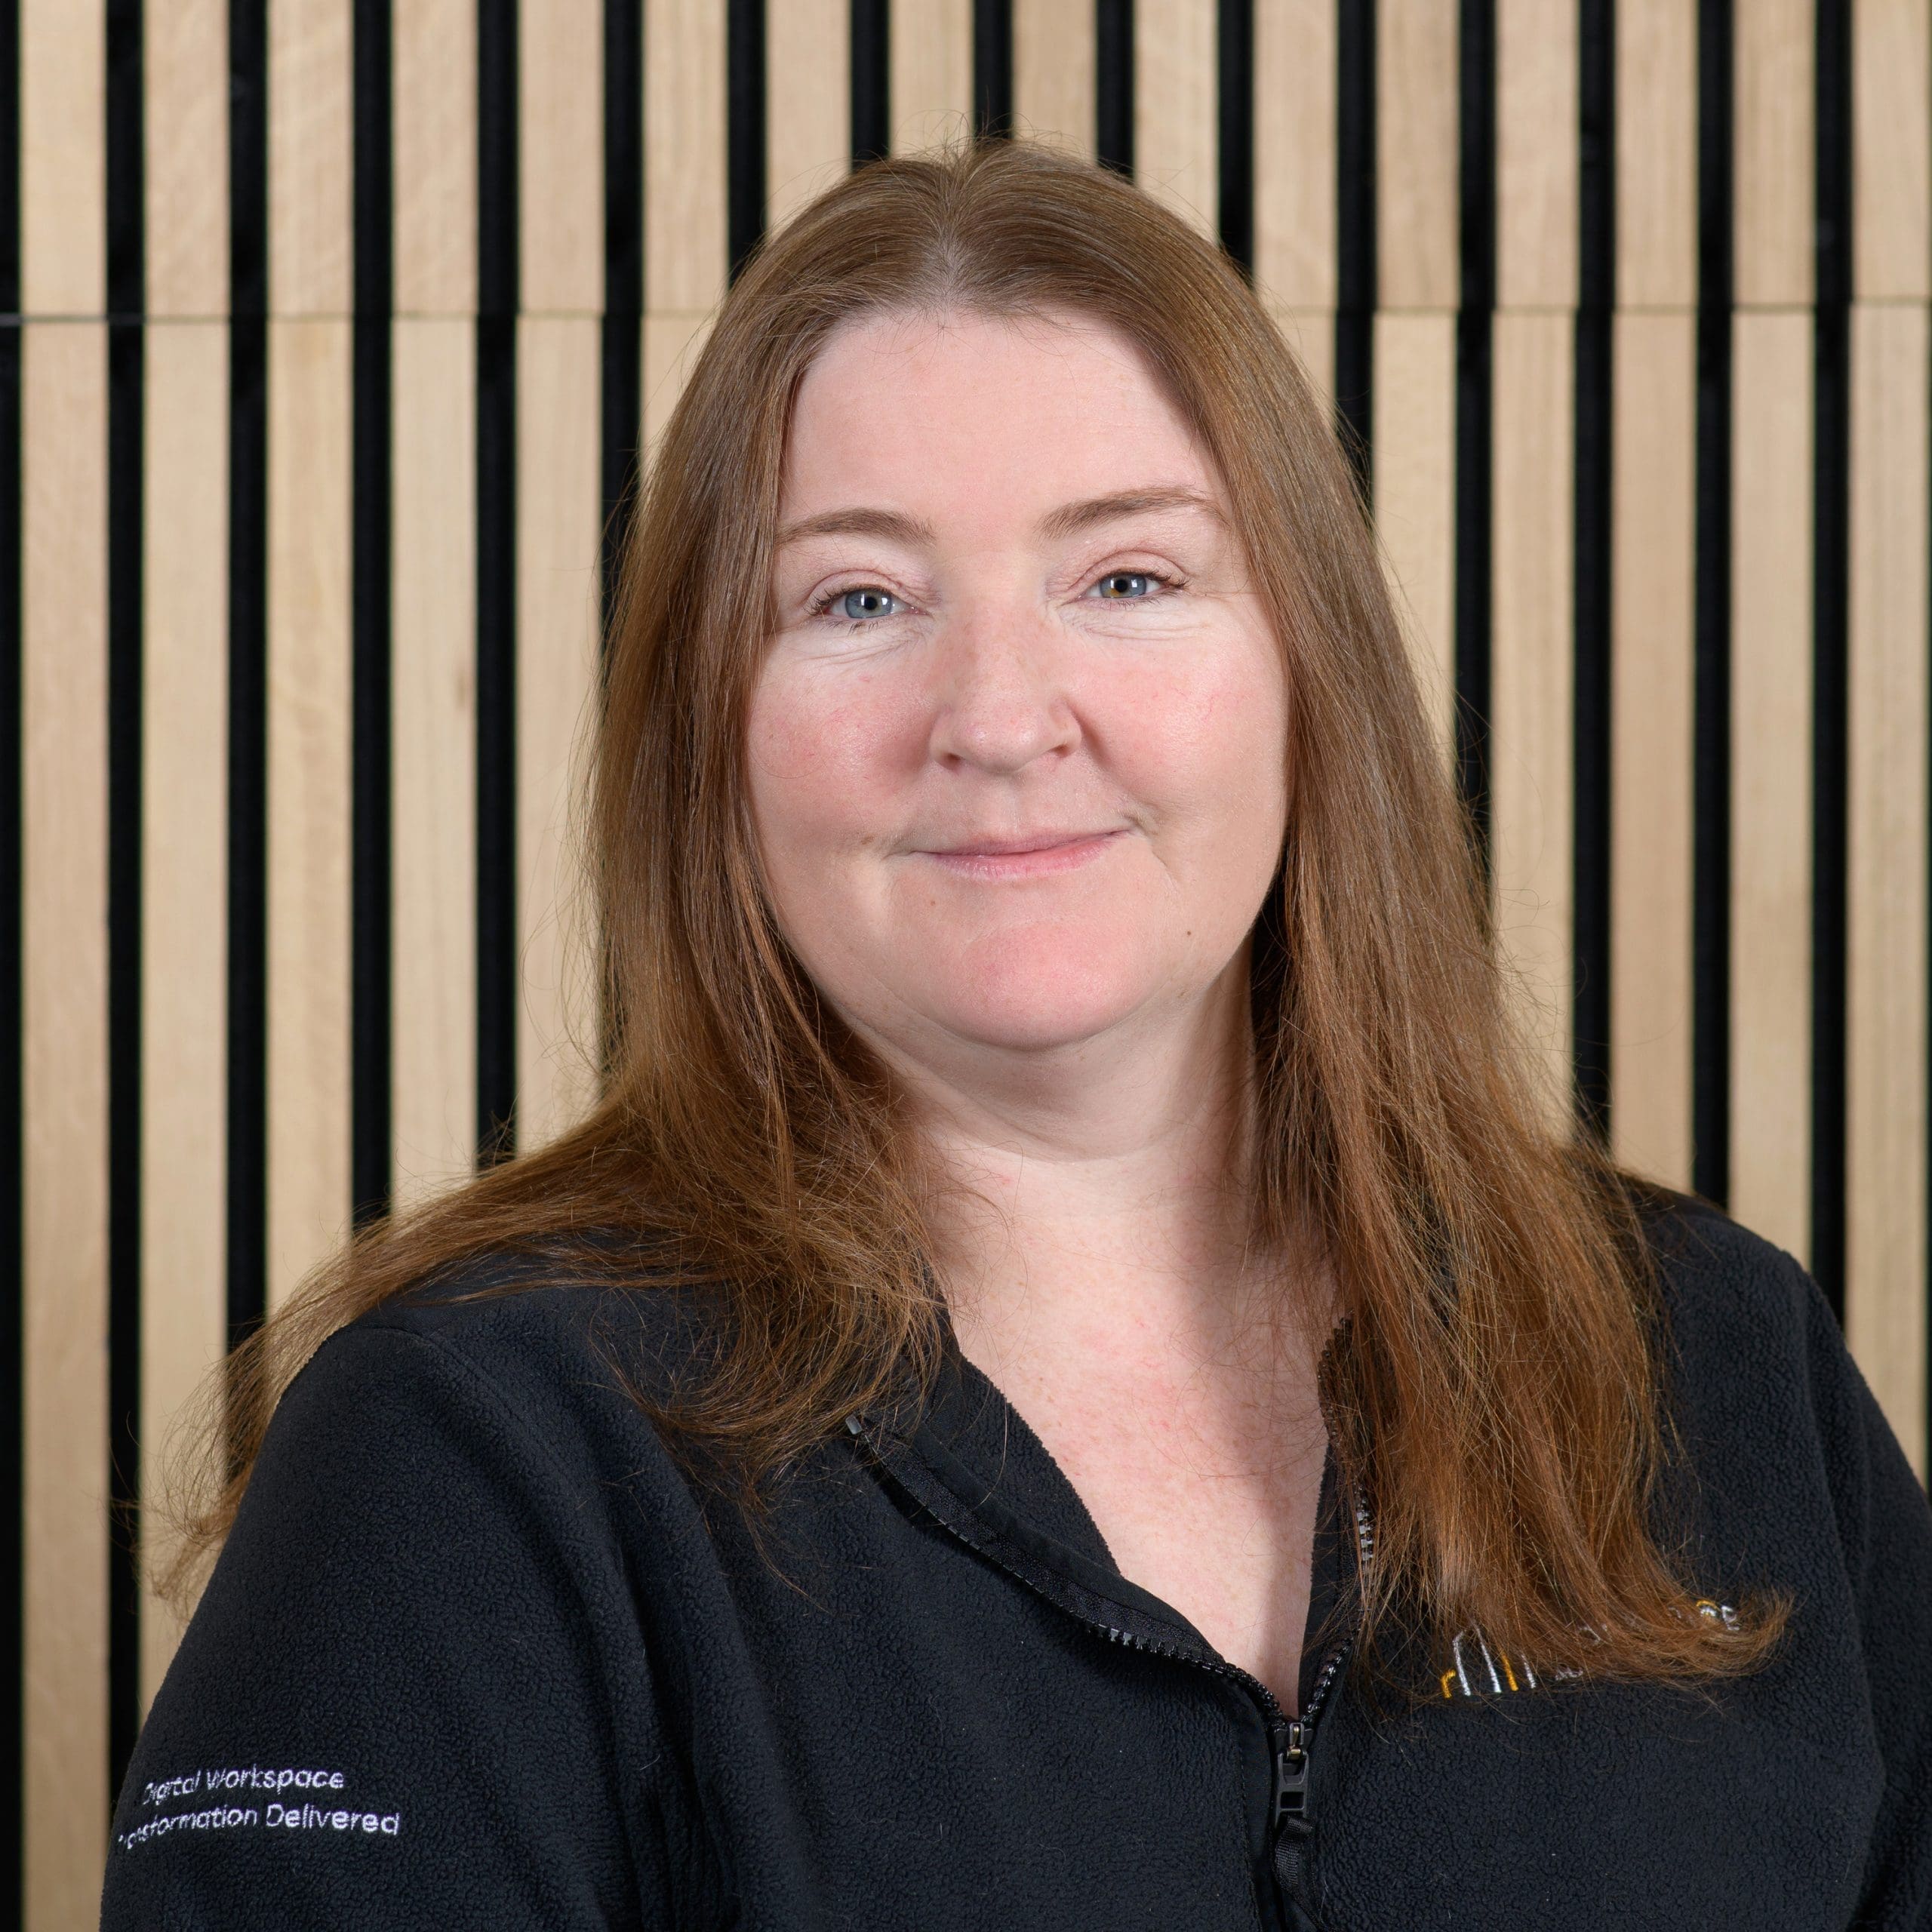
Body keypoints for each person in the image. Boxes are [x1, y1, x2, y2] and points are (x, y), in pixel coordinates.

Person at [103, 140, 1930, 1932]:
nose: (995, 714)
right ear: (707, 741)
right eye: (859, 599)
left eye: (1125, 577)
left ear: (1310, 670)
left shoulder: (1708, 1360)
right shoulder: (469, 1452)